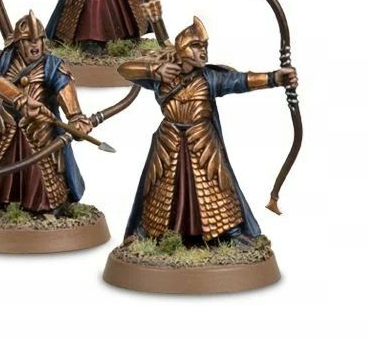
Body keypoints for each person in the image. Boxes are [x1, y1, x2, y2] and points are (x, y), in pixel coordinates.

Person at [119, 18, 296, 244]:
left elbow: (241, 81)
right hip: (169, 140)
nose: (202, 51)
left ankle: (232, 233)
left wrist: (274, 78)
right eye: (196, 46)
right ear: (182, 48)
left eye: (204, 46)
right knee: (159, 186)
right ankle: (146, 233)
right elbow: (124, 70)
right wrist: (155, 70)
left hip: (201, 140)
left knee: (215, 186)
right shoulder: (162, 76)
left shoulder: (210, 77)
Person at [0, 11, 92, 214]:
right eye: (29, 40)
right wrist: (19, 98)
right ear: (18, 43)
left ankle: (46, 208)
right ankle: (3, 201)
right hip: (8, 125)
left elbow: (64, 85)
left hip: (41, 129)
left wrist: (76, 117)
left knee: (42, 171)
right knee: (3, 166)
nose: (35, 45)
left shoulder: (52, 64)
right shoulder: (5, 59)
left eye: (38, 39)